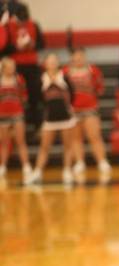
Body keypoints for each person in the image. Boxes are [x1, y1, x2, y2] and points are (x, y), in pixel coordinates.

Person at [64, 47, 112, 184]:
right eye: (76, 56)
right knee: (76, 138)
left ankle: (102, 161)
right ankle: (79, 162)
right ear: (72, 58)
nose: (78, 59)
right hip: (72, 110)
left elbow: (99, 88)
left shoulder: (93, 70)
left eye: (81, 56)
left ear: (85, 57)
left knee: (94, 136)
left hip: (90, 108)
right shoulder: (65, 72)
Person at [30, 53, 77, 186]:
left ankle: (67, 171)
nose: (52, 63)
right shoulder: (41, 80)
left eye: (54, 61)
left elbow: (72, 95)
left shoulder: (64, 77)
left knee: (68, 146)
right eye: (49, 61)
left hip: (66, 118)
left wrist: (68, 108)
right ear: (45, 64)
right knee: (44, 147)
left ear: (58, 63)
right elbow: (37, 99)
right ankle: (37, 172)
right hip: (49, 118)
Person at [0, 57, 32, 185]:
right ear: (3, 67)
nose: (12, 68)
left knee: (20, 141)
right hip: (2, 115)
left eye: (13, 66)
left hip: (17, 114)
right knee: (4, 142)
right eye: (9, 66)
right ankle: (2, 166)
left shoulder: (19, 79)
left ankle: (26, 166)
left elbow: (24, 96)